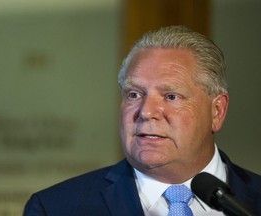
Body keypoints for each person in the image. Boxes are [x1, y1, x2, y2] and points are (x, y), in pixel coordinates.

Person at [23, 25, 261, 216]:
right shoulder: (55, 208)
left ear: (217, 111)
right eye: (134, 94)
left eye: (171, 96)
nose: (146, 112)